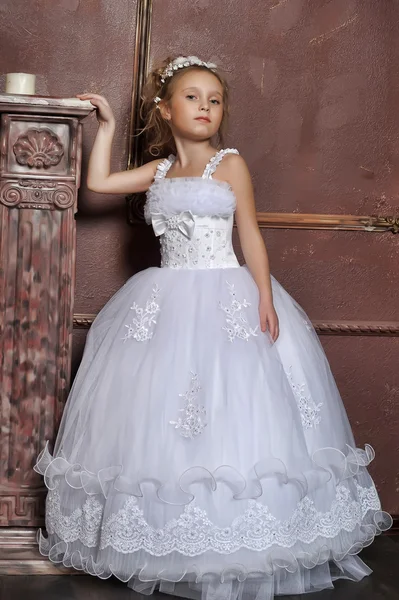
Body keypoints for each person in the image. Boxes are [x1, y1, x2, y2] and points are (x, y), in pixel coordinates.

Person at [35, 55, 391, 600]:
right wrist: (105, 126)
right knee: (164, 420)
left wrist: (265, 299)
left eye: (215, 99)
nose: (205, 107)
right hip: (165, 301)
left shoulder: (229, 164)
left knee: (235, 412)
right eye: (193, 97)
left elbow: (250, 235)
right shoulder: (156, 171)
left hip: (227, 293)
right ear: (165, 109)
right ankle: (169, 540)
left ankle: (245, 538)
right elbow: (99, 182)